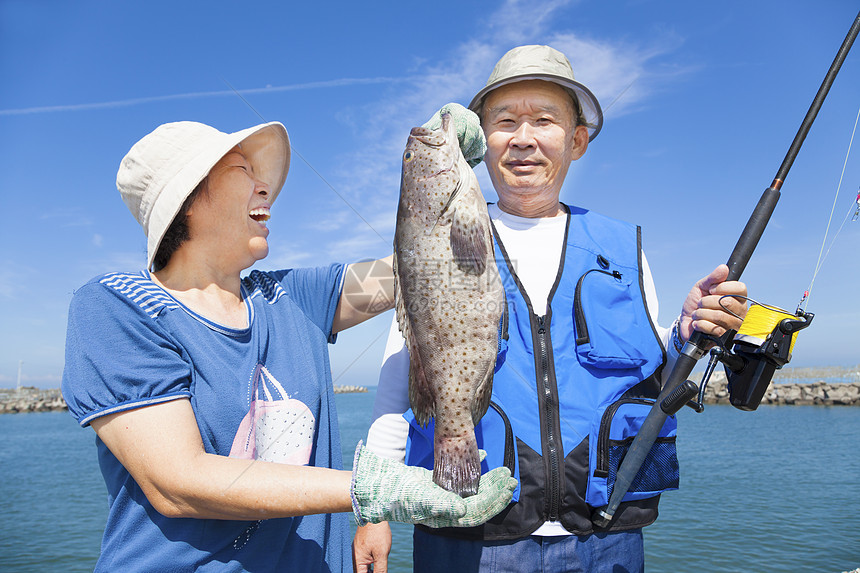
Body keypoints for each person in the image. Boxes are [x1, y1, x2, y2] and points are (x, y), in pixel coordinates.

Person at [352, 45, 749, 573]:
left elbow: (652, 367)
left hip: (606, 534)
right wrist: (373, 507)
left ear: (577, 140)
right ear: (481, 140)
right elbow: (402, 373)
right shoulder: (435, 236)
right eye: (505, 121)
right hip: (471, 532)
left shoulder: (619, 246)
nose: (523, 138)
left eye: (544, 120)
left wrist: (686, 329)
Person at [61, 120, 517, 573]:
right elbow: (178, 482)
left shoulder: (292, 296)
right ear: (188, 203)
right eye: (242, 170)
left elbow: (426, 263)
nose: (265, 187)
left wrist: (445, 161)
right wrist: (373, 489)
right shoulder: (117, 307)